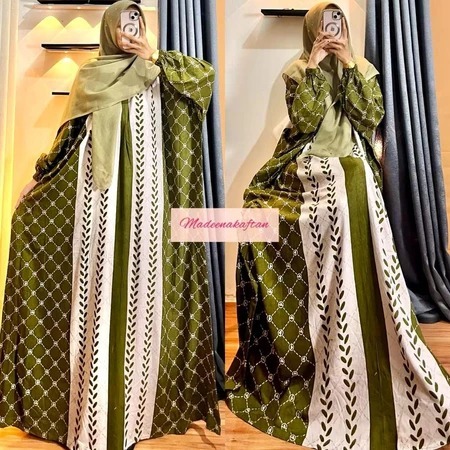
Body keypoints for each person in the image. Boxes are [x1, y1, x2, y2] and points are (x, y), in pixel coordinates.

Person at [225, 2, 450, 449]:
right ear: (312, 30)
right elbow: (305, 122)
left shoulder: (362, 68)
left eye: (338, 23)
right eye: (325, 25)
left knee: (351, 193)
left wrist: (348, 64)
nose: (332, 31)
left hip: (350, 159)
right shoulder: (296, 70)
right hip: (306, 161)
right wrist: (314, 66)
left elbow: (369, 117)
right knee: (264, 208)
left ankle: (356, 309)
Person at [0, 1, 220, 449]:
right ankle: (90, 405)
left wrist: (154, 55)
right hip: (94, 203)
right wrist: (38, 178)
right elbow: (68, 137)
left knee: (139, 297)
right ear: (108, 30)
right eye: (122, 23)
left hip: (147, 207)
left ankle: (134, 410)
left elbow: (204, 80)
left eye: (136, 22)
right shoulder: (90, 76)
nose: (129, 30)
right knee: (96, 294)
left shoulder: (160, 73)